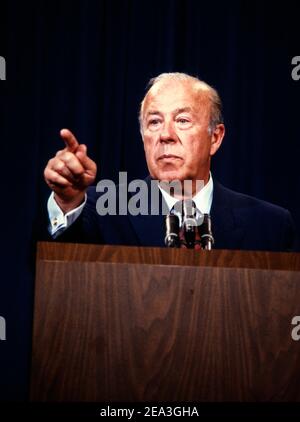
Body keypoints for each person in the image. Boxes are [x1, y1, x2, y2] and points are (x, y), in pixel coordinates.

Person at [43, 72, 297, 251]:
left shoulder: (269, 225)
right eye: (154, 122)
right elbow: (53, 270)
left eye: (183, 120)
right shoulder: (102, 211)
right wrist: (67, 201)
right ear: (143, 137)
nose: (165, 134)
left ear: (216, 138)